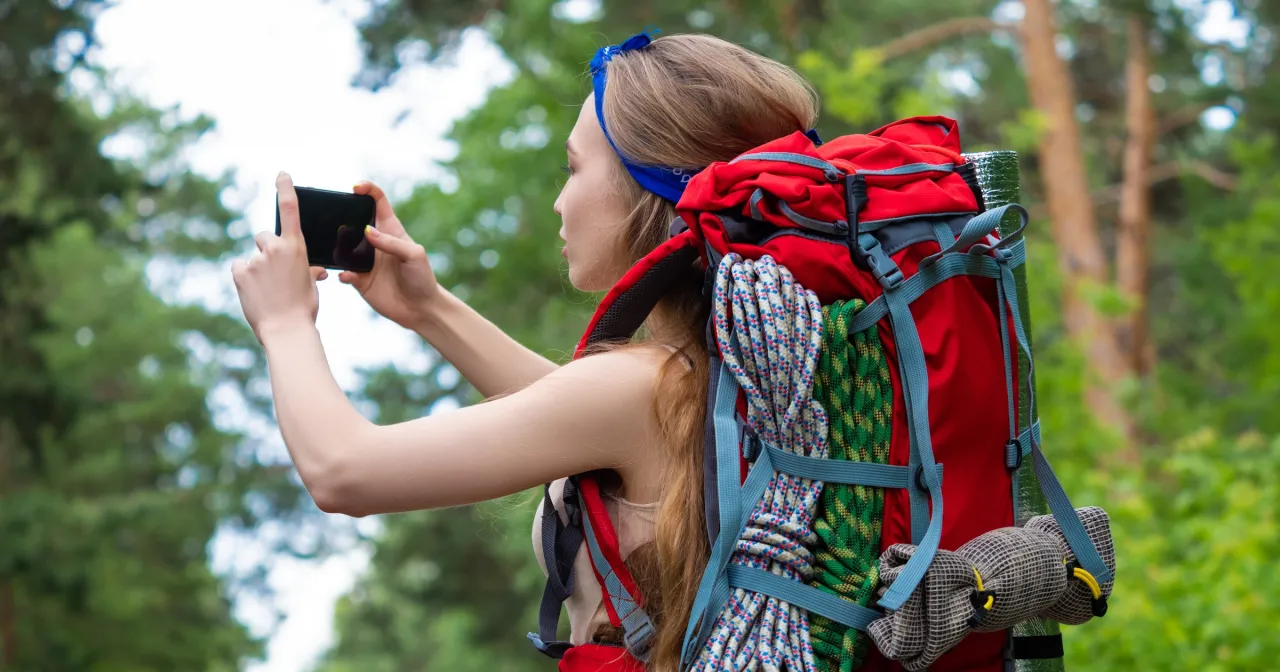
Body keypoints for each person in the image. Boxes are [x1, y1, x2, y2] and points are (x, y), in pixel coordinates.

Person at [230, 32, 821, 671]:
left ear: (644, 185)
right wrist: (429, 309)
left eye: (573, 168)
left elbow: (341, 470)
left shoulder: (645, 386)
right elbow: (573, 413)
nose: (559, 200)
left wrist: (286, 323)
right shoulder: (724, 379)